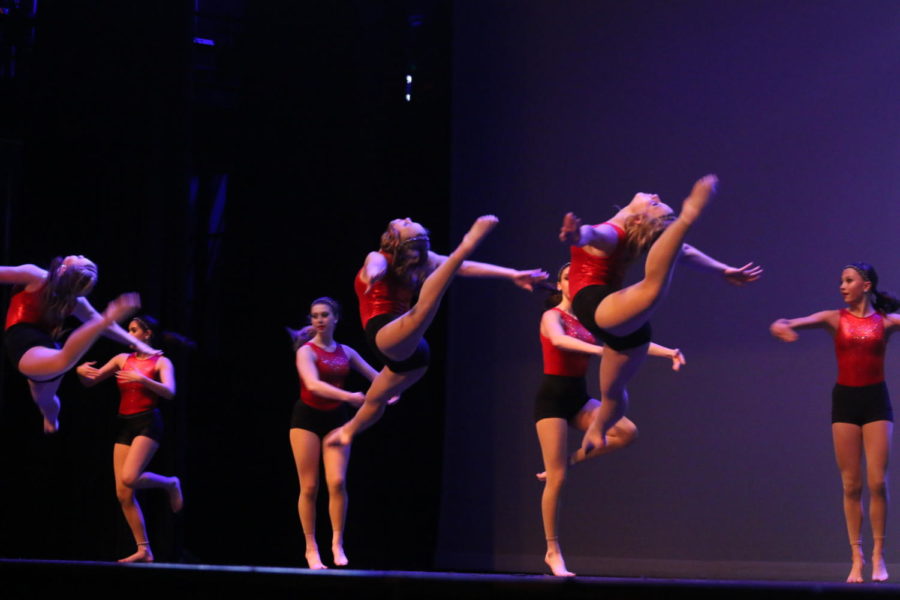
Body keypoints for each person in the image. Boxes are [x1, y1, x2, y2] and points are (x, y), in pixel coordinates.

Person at [559, 175, 761, 454]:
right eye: (657, 201)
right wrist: (723, 269)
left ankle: (688, 218)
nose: (654, 195)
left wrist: (578, 235)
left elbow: (593, 235)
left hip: (601, 308)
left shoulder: (614, 232)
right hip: (626, 324)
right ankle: (599, 427)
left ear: (639, 220)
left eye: (655, 204)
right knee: (613, 395)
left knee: (652, 287)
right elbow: (683, 251)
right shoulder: (629, 237)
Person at [326, 215, 547, 447]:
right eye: (406, 221)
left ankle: (466, 245)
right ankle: (348, 431)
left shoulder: (412, 260)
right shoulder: (383, 260)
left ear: (394, 240)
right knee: (374, 399)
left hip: (389, 336)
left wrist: (512, 274)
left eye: (406, 224)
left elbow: (464, 267)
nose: (407, 218)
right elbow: (376, 266)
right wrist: (374, 274)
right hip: (415, 355)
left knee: (424, 306)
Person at [535, 263, 685, 577]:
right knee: (557, 480)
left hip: (577, 396)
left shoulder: (590, 320)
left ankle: (568, 461)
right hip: (552, 398)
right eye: (566, 278)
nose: (571, 282)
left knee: (625, 432)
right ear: (561, 285)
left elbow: (630, 342)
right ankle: (553, 551)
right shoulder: (552, 317)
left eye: (575, 277)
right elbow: (561, 342)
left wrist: (669, 351)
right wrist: (603, 351)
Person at [770, 262, 899, 583]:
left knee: (877, 482)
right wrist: (780, 326)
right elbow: (787, 322)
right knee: (851, 484)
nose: (842, 286)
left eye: (848, 280)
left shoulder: (885, 322)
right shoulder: (833, 318)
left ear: (865, 285)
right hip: (845, 402)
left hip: (875, 402)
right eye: (841, 281)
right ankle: (856, 557)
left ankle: (878, 556)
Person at [1, 256, 154, 432]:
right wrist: (139, 344)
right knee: (45, 400)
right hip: (43, 348)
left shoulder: (39, 277)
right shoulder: (43, 281)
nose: (80, 255)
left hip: (29, 342)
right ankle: (50, 418)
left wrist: (136, 342)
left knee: (60, 366)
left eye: (81, 258)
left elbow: (109, 327)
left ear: (65, 268)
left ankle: (50, 416)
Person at [287, 297, 384, 570]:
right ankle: (311, 548)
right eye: (314, 315)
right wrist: (350, 397)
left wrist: (389, 393)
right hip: (306, 419)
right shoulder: (305, 351)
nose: (318, 320)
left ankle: (337, 543)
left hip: (336, 420)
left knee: (338, 482)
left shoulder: (346, 352)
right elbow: (313, 385)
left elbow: (376, 377)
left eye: (324, 315)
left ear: (335, 318)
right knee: (309, 486)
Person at [76, 315, 183, 563]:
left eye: (134, 330)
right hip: (125, 423)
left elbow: (170, 391)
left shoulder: (162, 362)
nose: (129, 333)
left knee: (130, 477)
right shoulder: (121, 359)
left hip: (148, 422)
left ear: (147, 334)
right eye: (128, 329)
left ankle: (170, 483)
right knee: (123, 493)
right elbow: (90, 381)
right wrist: (80, 371)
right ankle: (144, 549)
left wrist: (143, 379)